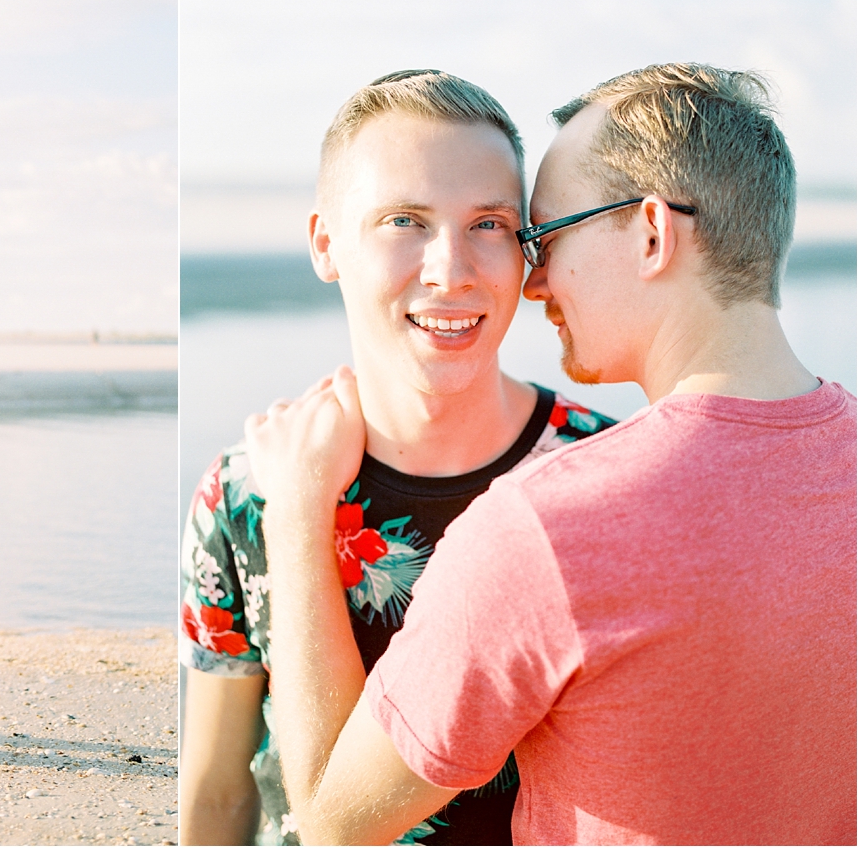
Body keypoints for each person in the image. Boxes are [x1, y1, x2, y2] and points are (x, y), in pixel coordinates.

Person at [245, 63, 857, 845]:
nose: (533, 282)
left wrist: (296, 513)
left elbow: (335, 820)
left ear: (650, 233)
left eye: (544, 234)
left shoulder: (549, 525)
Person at [178, 71, 617, 845]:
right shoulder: (243, 491)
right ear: (326, 243)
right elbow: (217, 792)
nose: (452, 269)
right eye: (404, 220)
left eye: (489, 224)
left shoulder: (606, 469)